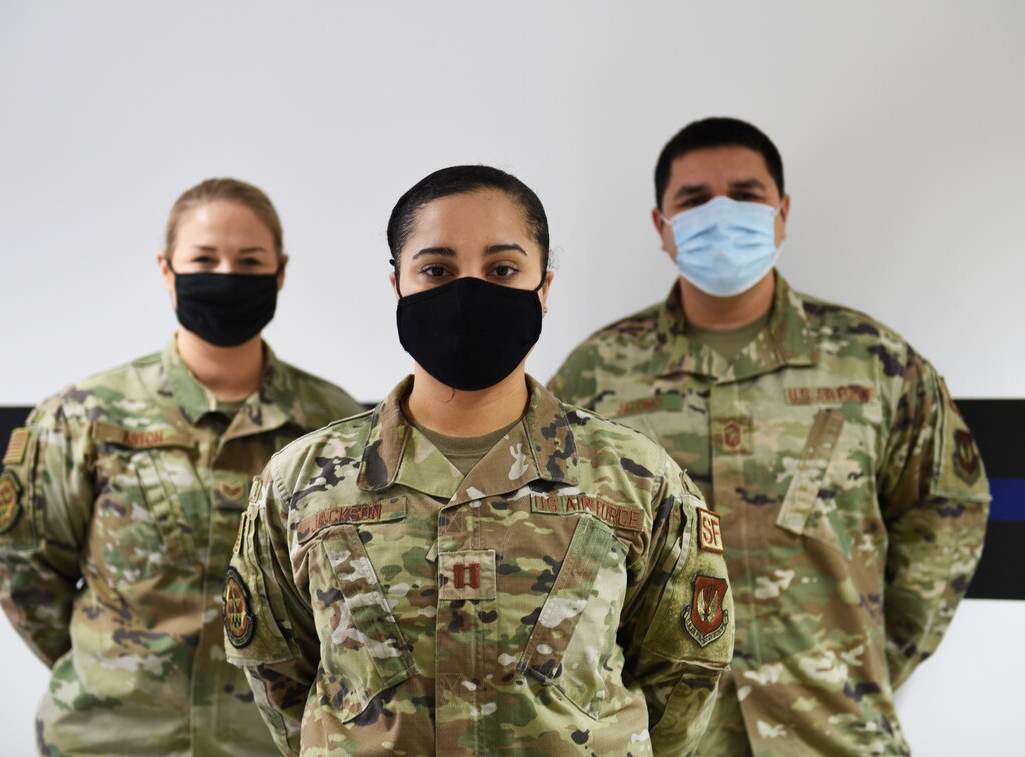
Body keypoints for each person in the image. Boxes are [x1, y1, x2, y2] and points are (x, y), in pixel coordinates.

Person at [224, 165, 733, 756]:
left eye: (502, 270)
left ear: (543, 289)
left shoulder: (637, 479)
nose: (469, 293)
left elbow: (683, 677)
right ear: (398, 288)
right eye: (437, 270)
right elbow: (278, 673)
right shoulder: (302, 483)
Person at [548, 117, 991, 755]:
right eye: (695, 200)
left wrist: (871, 661)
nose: (721, 215)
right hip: (666, 739)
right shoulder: (597, 373)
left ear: (781, 214)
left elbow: (948, 510)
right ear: (662, 225)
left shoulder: (873, 363)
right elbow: (557, 544)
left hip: (834, 729)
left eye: (747, 195)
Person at [0, 178, 364, 755]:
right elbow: (26, 570)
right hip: (113, 739)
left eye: (250, 260)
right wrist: (113, 668)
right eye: (204, 259)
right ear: (167, 269)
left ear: (280, 272)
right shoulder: (86, 415)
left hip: (264, 744)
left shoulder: (333, 424)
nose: (227, 275)